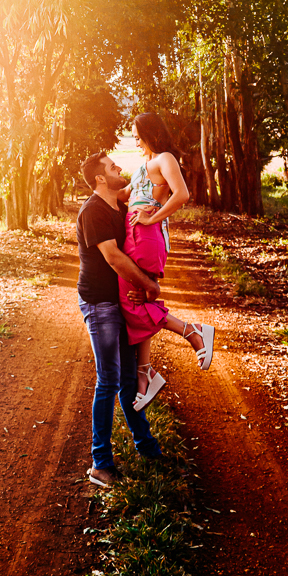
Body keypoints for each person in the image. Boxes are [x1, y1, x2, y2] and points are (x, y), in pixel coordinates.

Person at [77, 150, 164, 488]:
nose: (119, 168)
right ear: (100, 178)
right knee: (110, 381)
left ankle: (147, 447)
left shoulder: (120, 205)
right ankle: (100, 463)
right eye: (112, 167)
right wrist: (149, 286)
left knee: (129, 379)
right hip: (100, 304)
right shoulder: (93, 211)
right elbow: (113, 257)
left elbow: (149, 188)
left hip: (121, 301)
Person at [119, 112, 215, 410]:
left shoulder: (164, 158)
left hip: (146, 237)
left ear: (150, 133)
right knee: (138, 298)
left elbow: (182, 194)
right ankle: (145, 372)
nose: (135, 141)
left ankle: (192, 332)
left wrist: (151, 218)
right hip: (133, 235)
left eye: (137, 135)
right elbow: (126, 195)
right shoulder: (144, 165)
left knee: (132, 301)